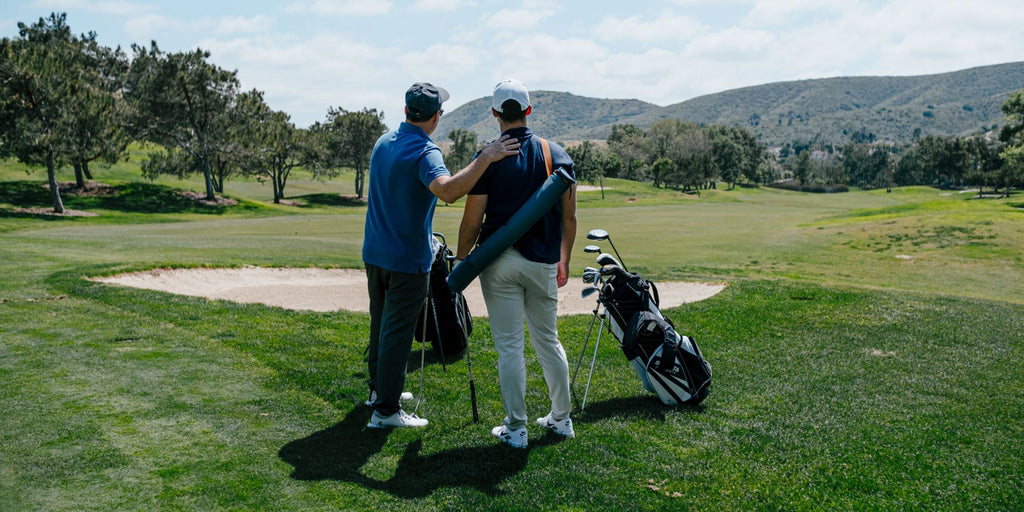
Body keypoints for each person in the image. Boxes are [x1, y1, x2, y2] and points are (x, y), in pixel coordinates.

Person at [364, 82, 519, 429]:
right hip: (405, 259)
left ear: (406, 112)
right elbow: (447, 191)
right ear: (435, 118)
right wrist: (486, 156)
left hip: (374, 252)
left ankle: (379, 391)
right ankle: (386, 411)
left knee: (380, 324)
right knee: (397, 331)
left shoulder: (383, 142)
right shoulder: (425, 151)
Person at [456, 79, 577, 448]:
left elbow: (473, 220)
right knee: (548, 341)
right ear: (528, 111)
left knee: (509, 346)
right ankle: (561, 419)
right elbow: (569, 218)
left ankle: (516, 427)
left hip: (499, 262)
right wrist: (564, 259)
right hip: (543, 262)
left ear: (495, 114)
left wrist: (461, 264)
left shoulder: (488, 157)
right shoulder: (556, 155)